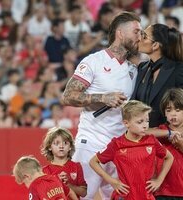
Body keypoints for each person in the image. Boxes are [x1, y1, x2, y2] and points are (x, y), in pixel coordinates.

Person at [61, 11, 142, 199]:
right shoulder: (93, 61)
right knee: (81, 195)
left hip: (120, 146)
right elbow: (68, 96)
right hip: (91, 141)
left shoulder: (133, 69)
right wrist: (103, 98)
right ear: (120, 33)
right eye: (136, 31)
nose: (140, 36)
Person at [89, 100, 174, 200]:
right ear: (126, 123)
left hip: (146, 196)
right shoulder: (116, 144)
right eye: (140, 122)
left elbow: (169, 157)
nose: (145, 125)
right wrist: (112, 181)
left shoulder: (151, 140)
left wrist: (159, 180)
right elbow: (93, 162)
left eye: (147, 120)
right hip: (125, 196)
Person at [131, 23, 183, 128]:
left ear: (155, 45)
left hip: (168, 138)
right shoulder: (142, 68)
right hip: (142, 135)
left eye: (144, 36)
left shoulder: (178, 69)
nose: (139, 38)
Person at [41, 127, 87, 198]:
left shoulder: (76, 166)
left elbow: (84, 193)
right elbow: (42, 194)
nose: (61, 146)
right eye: (57, 143)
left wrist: (68, 185)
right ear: (50, 147)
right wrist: (56, 183)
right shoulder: (45, 171)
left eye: (65, 143)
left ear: (70, 147)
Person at [155, 88, 183, 199]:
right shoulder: (161, 130)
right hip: (163, 191)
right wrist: (169, 133)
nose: (173, 114)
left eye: (178, 110)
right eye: (168, 110)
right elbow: (142, 132)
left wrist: (181, 145)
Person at [12, 155, 78, 200]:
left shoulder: (34, 187)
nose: (26, 186)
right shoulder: (55, 179)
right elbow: (70, 192)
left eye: (25, 183)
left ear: (27, 176)